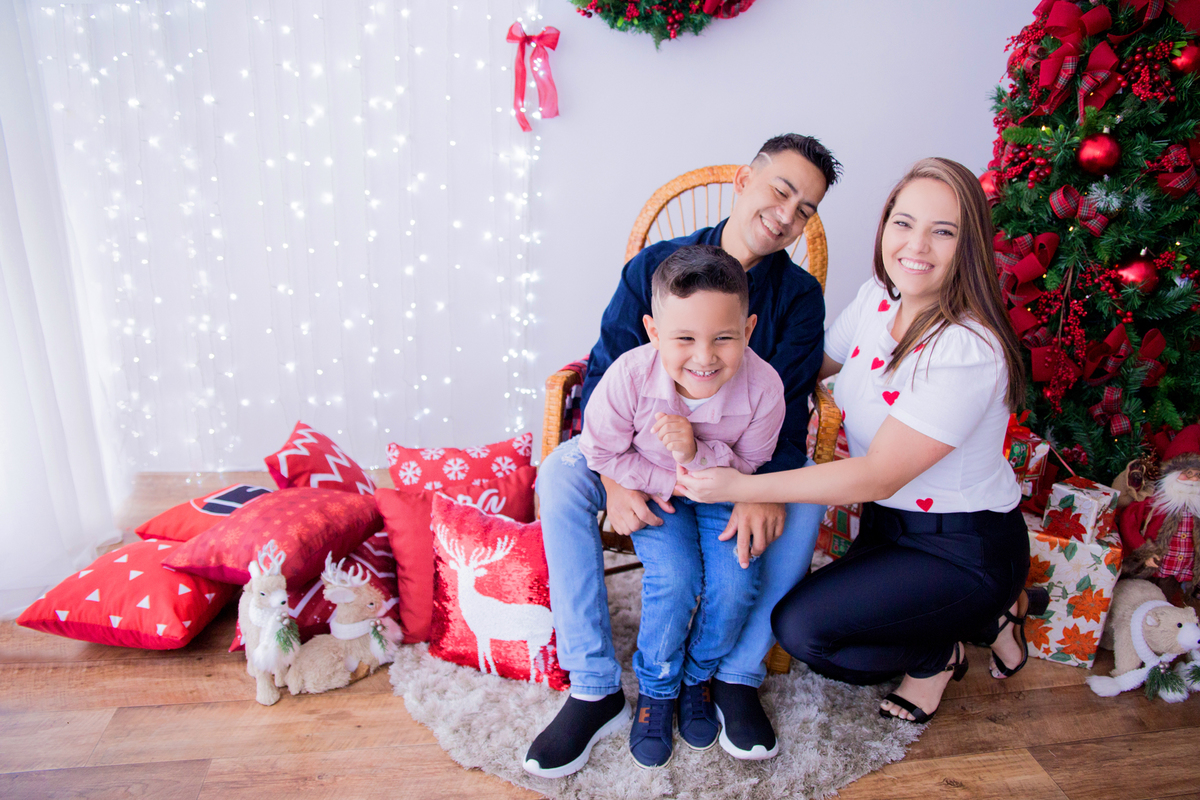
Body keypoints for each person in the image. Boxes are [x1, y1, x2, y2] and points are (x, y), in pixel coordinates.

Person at [676, 157, 1047, 725]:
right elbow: (810, 366)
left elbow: (878, 473)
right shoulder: (880, 297)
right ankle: (988, 620)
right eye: (903, 223)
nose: (915, 245)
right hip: (886, 527)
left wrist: (746, 482)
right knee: (818, 614)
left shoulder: (968, 348)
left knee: (804, 631)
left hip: (962, 545)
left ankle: (940, 651)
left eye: (942, 231)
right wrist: (714, 368)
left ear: (968, 245)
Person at [524, 134, 842, 778]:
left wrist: (763, 492)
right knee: (560, 471)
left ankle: (735, 676)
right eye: (781, 190)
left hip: (737, 463)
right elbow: (607, 372)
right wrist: (613, 478)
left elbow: (784, 410)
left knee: (808, 490)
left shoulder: (799, 298)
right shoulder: (654, 267)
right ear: (744, 181)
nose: (786, 215)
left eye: (805, 209)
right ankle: (593, 685)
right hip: (634, 451)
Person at [578, 245, 785, 768]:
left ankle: (698, 677)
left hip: (723, 487)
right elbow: (600, 450)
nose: (704, 356)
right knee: (675, 579)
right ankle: (658, 686)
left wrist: (696, 452)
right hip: (650, 488)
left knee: (737, 578)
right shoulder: (628, 377)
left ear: (749, 329)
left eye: (723, 337)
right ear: (652, 331)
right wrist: (669, 477)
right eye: (684, 338)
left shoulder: (764, 388)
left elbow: (751, 463)